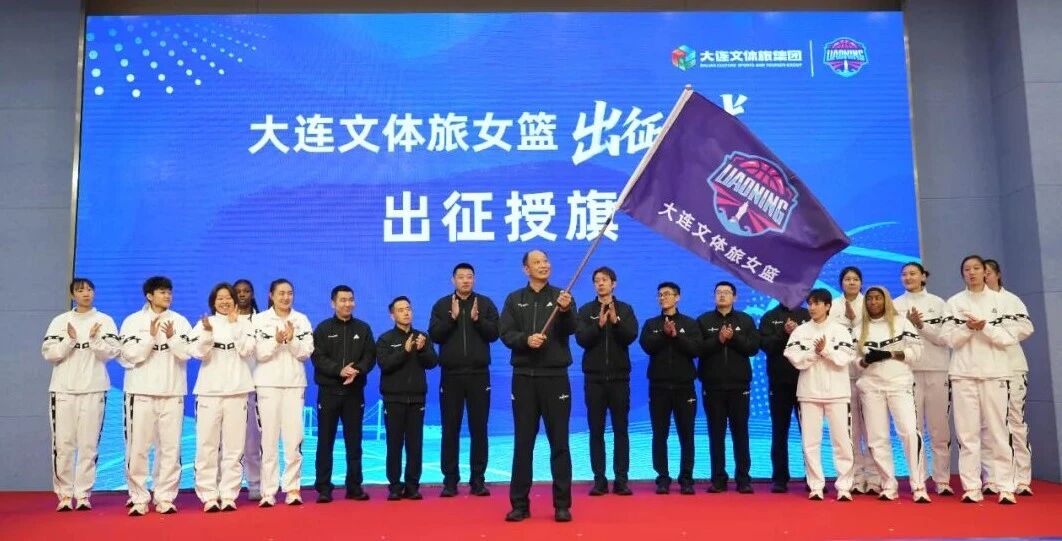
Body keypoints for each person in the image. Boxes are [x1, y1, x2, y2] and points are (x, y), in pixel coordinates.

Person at [942, 255, 1028, 505]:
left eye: (976, 268)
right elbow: (948, 339)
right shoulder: (955, 302)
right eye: (967, 269)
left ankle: (1005, 486)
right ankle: (972, 487)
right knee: (967, 434)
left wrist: (986, 328)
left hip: (996, 373)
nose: (972, 273)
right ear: (963, 274)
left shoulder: (1004, 301)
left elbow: (1015, 334)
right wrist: (968, 328)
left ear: (985, 272)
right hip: (963, 374)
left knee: (999, 432)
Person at [499, 249, 576, 523]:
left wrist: (565, 311)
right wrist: (525, 340)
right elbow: (505, 333)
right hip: (524, 378)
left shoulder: (563, 297)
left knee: (560, 443)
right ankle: (520, 504)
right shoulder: (514, 299)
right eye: (537, 262)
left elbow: (572, 329)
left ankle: (562, 505)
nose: (543, 265)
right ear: (526, 269)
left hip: (555, 378)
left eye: (545, 261)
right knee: (523, 443)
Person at [41, 277, 121, 512]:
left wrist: (94, 340)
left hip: (94, 388)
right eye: (80, 290)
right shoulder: (60, 321)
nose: (85, 293)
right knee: (63, 445)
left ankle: (83, 494)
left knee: (89, 445)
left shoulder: (105, 320)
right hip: (63, 390)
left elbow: (112, 353)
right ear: (72, 295)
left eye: (89, 290)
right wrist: (70, 340)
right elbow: (50, 354)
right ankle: (65, 495)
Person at [118, 276, 193, 516]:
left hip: (172, 391)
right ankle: (139, 497)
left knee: (170, 448)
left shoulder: (180, 321)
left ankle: (165, 496)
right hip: (140, 392)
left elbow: (187, 354)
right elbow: (130, 355)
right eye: (162, 292)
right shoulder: (133, 321)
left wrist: (171, 338)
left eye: (169, 292)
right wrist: (150, 338)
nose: (167, 296)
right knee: (137, 448)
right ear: (149, 296)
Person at [428, 263, 500, 498]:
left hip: (479, 375)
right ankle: (450, 480)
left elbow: (495, 334)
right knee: (450, 429)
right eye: (461, 277)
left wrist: (478, 320)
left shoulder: (485, 303)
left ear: (474, 279)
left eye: (469, 276)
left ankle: (478, 480)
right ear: (453, 280)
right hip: (451, 376)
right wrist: (453, 318)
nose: (465, 280)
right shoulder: (441, 305)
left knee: (479, 428)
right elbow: (434, 335)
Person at [854, 286, 930, 503]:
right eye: (869, 299)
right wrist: (865, 360)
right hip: (871, 387)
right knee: (877, 438)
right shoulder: (859, 329)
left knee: (909, 432)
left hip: (899, 385)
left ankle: (918, 485)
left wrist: (891, 353)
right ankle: (888, 484)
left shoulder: (902, 323)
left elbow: (917, 352)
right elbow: (854, 362)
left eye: (878, 298)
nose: (873, 302)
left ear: (886, 300)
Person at [785, 288, 857, 502]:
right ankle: (816, 485)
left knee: (842, 442)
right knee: (810, 442)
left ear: (827, 306)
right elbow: (793, 356)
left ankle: (844, 486)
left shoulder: (840, 330)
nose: (812, 307)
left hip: (837, 393)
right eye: (810, 303)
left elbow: (845, 358)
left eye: (817, 303)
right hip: (808, 393)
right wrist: (814, 353)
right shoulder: (801, 331)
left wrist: (825, 351)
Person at [189, 283, 255, 512]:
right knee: (206, 446)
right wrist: (207, 333)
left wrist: (235, 325)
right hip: (209, 392)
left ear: (235, 300)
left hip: (237, 391)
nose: (225, 302)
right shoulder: (204, 323)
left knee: (234, 448)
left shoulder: (245, 324)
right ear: (213, 302)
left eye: (228, 298)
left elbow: (247, 350)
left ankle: (228, 494)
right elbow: (198, 353)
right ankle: (208, 494)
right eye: (220, 298)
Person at [574, 266, 638, 496]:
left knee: (621, 430)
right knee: (596, 431)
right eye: (596, 280)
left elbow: (630, 336)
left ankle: (621, 479)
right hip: (594, 379)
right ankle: (599, 480)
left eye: (604, 280)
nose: (600, 283)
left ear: (614, 283)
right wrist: (598, 326)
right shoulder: (586, 310)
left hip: (619, 379)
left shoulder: (625, 309)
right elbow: (581, 339)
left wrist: (616, 321)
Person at [892, 263, 954, 496]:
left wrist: (920, 325)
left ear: (923, 276)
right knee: (913, 430)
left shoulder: (938, 304)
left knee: (939, 429)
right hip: (908, 373)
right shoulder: (895, 305)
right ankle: (918, 480)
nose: (908, 277)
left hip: (938, 370)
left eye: (913, 273)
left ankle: (942, 480)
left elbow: (945, 338)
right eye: (904, 274)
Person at [252, 279, 314, 507]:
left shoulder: (301, 319)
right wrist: (277, 342)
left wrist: (291, 339)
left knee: (293, 438)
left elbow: (306, 352)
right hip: (267, 384)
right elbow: (258, 354)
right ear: (271, 295)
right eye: (281, 293)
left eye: (289, 293)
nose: (286, 297)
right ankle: (268, 491)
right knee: (268, 440)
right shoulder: (259, 320)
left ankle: (292, 488)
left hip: (294, 385)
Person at [311, 285, 375, 503]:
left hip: (354, 393)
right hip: (328, 392)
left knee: (354, 442)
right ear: (333, 303)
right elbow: (318, 357)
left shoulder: (363, 328)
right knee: (325, 441)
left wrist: (357, 370)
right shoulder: (323, 328)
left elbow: (370, 356)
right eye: (343, 300)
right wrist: (339, 370)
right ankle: (324, 487)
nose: (348, 304)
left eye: (350, 300)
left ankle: (354, 487)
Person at [696, 281, 760, 494]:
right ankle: (718, 479)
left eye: (726, 292)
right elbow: (698, 349)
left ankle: (743, 479)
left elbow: (753, 348)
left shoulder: (745, 320)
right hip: (712, 386)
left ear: (735, 297)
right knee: (716, 434)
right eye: (718, 292)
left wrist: (733, 338)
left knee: (740, 433)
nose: (722, 295)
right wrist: (719, 339)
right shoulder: (704, 320)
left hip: (739, 386)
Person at [639, 281, 702, 496]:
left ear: (677, 297)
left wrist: (676, 336)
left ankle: (686, 478)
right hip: (659, 388)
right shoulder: (651, 324)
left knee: (687, 434)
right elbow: (647, 346)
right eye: (660, 294)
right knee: (659, 434)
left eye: (667, 294)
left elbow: (695, 350)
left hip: (685, 387)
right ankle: (663, 478)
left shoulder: (690, 324)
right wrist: (663, 334)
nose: (663, 297)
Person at [377, 296, 438, 501]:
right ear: (392, 315)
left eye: (408, 309)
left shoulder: (422, 337)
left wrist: (421, 350)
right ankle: (395, 486)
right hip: (393, 399)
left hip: (417, 399)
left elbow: (432, 362)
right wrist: (404, 351)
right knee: (394, 445)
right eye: (401, 310)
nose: (406, 313)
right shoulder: (385, 339)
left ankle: (412, 485)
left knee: (415, 445)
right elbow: (385, 365)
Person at [983, 259, 1035, 496]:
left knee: (1014, 422)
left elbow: (1026, 328)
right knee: (988, 424)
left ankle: (1021, 478)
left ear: (998, 275)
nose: (983, 277)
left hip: (1012, 367)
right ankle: (992, 477)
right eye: (979, 272)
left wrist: (1000, 334)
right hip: (984, 370)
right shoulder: (971, 302)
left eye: (987, 272)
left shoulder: (1011, 300)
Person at [829, 266, 877, 494]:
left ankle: (875, 478)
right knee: (851, 430)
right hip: (843, 374)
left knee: (872, 428)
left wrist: (855, 320)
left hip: (868, 372)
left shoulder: (870, 303)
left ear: (861, 282)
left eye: (855, 279)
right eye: (847, 279)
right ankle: (856, 478)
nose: (851, 282)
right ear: (841, 283)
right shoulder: (832, 306)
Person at [758, 299, 810, 493]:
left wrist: (798, 333)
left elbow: (817, 345)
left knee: (809, 432)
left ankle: (813, 477)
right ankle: (780, 478)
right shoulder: (770, 317)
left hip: (806, 382)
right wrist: (783, 333)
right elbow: (765, 345)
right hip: (779, 382)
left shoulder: (808, 315)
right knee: (779, 431)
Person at [233, 278, 263, 501]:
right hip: (230, 387)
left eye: (246, 291)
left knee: (254, 441)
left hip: (256, 386)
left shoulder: (261, 320)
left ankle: (255, 483)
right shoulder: (222, 320)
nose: (242, 294)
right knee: (227, 444)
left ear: (252, 294)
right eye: (238, 291)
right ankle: (226, 485)